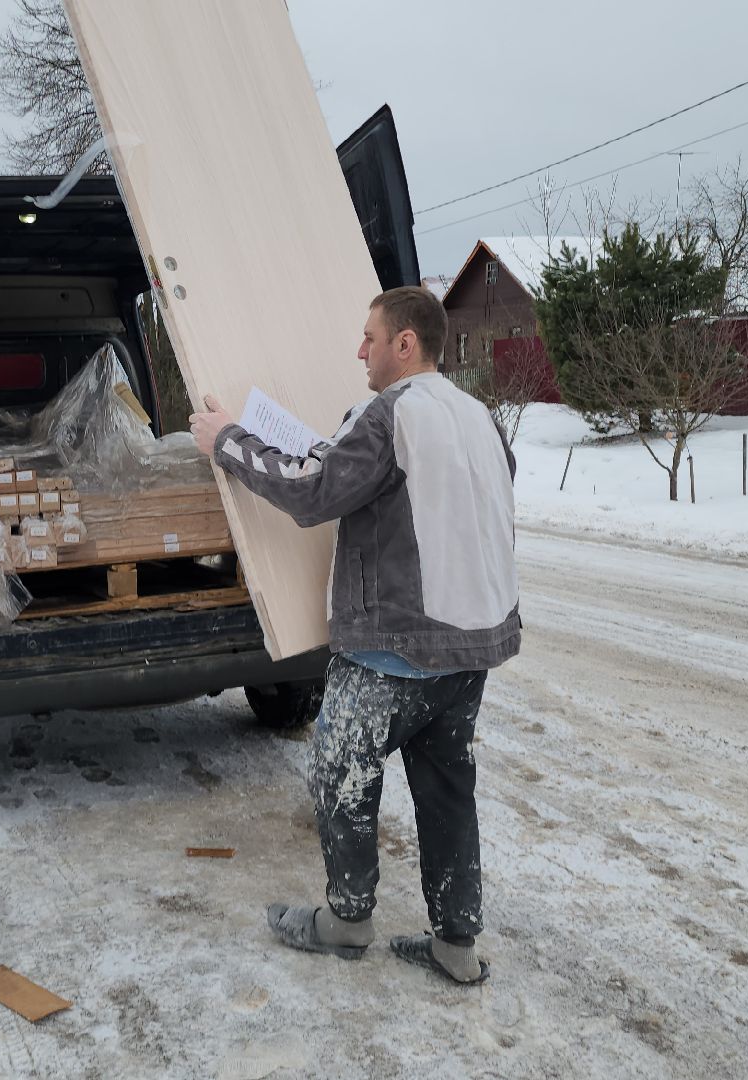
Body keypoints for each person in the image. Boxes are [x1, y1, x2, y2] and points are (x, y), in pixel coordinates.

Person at [189, 286, 520, 986]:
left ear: (406, 343)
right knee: (447, 789)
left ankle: (345, 921)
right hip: (472, 647)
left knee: (341, 774)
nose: (358, 350)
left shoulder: (385, 412)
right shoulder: (477, 415)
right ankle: (456, 944)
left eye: (369, 337)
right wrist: (323, 452)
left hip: (394, 650)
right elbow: (408, 487)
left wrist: (228, 443)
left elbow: (313, 495)